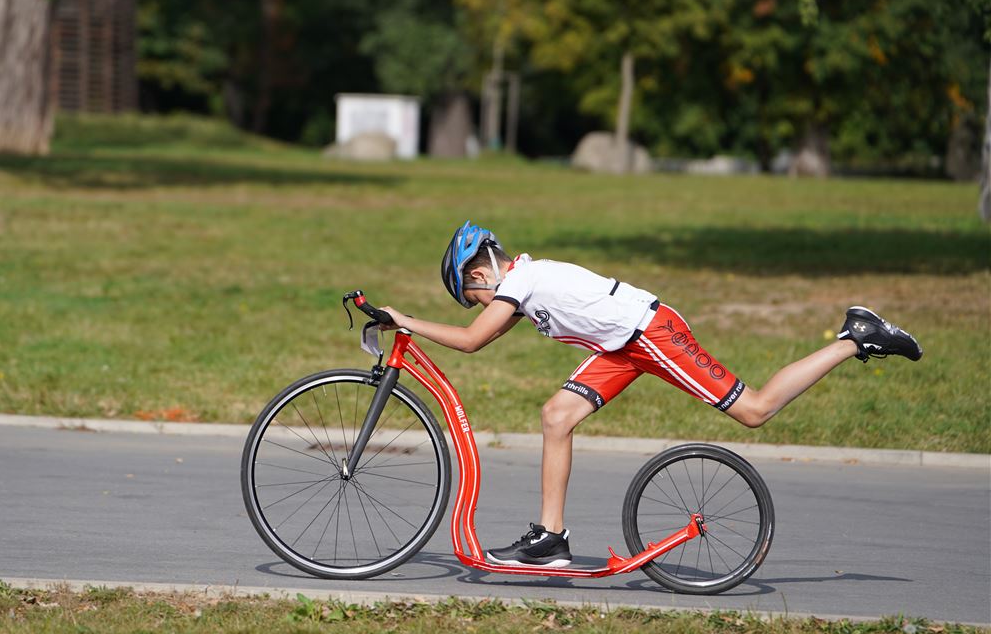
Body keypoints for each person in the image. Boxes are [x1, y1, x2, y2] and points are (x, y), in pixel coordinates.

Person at [378, 221, 923, 568]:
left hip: (651, 335)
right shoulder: (524, 288)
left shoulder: (521, 279)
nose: (477, 305)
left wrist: (404, 320)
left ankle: (855, 339)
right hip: (623, 345)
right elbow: (482, 339)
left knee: (754, 410)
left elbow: (473, 341)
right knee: (556, 415)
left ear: (479, 272)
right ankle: (550, 539)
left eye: (471, 295)